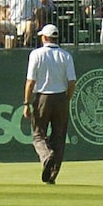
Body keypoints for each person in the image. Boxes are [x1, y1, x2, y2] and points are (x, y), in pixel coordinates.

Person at [25, 25, 76, 184]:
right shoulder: (66, 55)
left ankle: (46, 156)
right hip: (61, 97)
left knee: (38, 135)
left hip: (42, 98)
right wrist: (67, 97)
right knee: (58, 137)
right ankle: (52, 175)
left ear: (44, 37)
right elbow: (72, 81)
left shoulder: (36, 54)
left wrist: (26, 103)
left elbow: (30, 82)